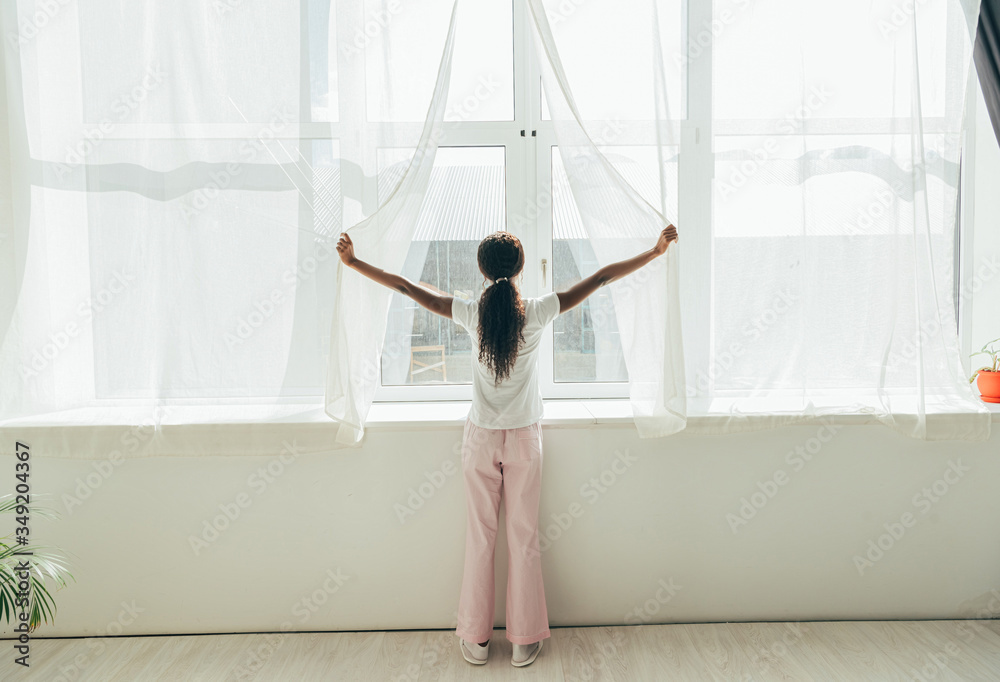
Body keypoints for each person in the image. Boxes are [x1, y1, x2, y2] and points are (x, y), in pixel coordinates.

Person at [336, 225, 678, 667]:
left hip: (480, 439)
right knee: (524, 538)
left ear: (482, 271)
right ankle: (523, 641)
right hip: (523, 440)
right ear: (520, 269)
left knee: (481, 537)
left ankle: (477, 640)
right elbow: (600, 279)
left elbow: (405, 287)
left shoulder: (470, 313)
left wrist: (353, 262)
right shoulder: (537, 311)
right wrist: (654, 252)